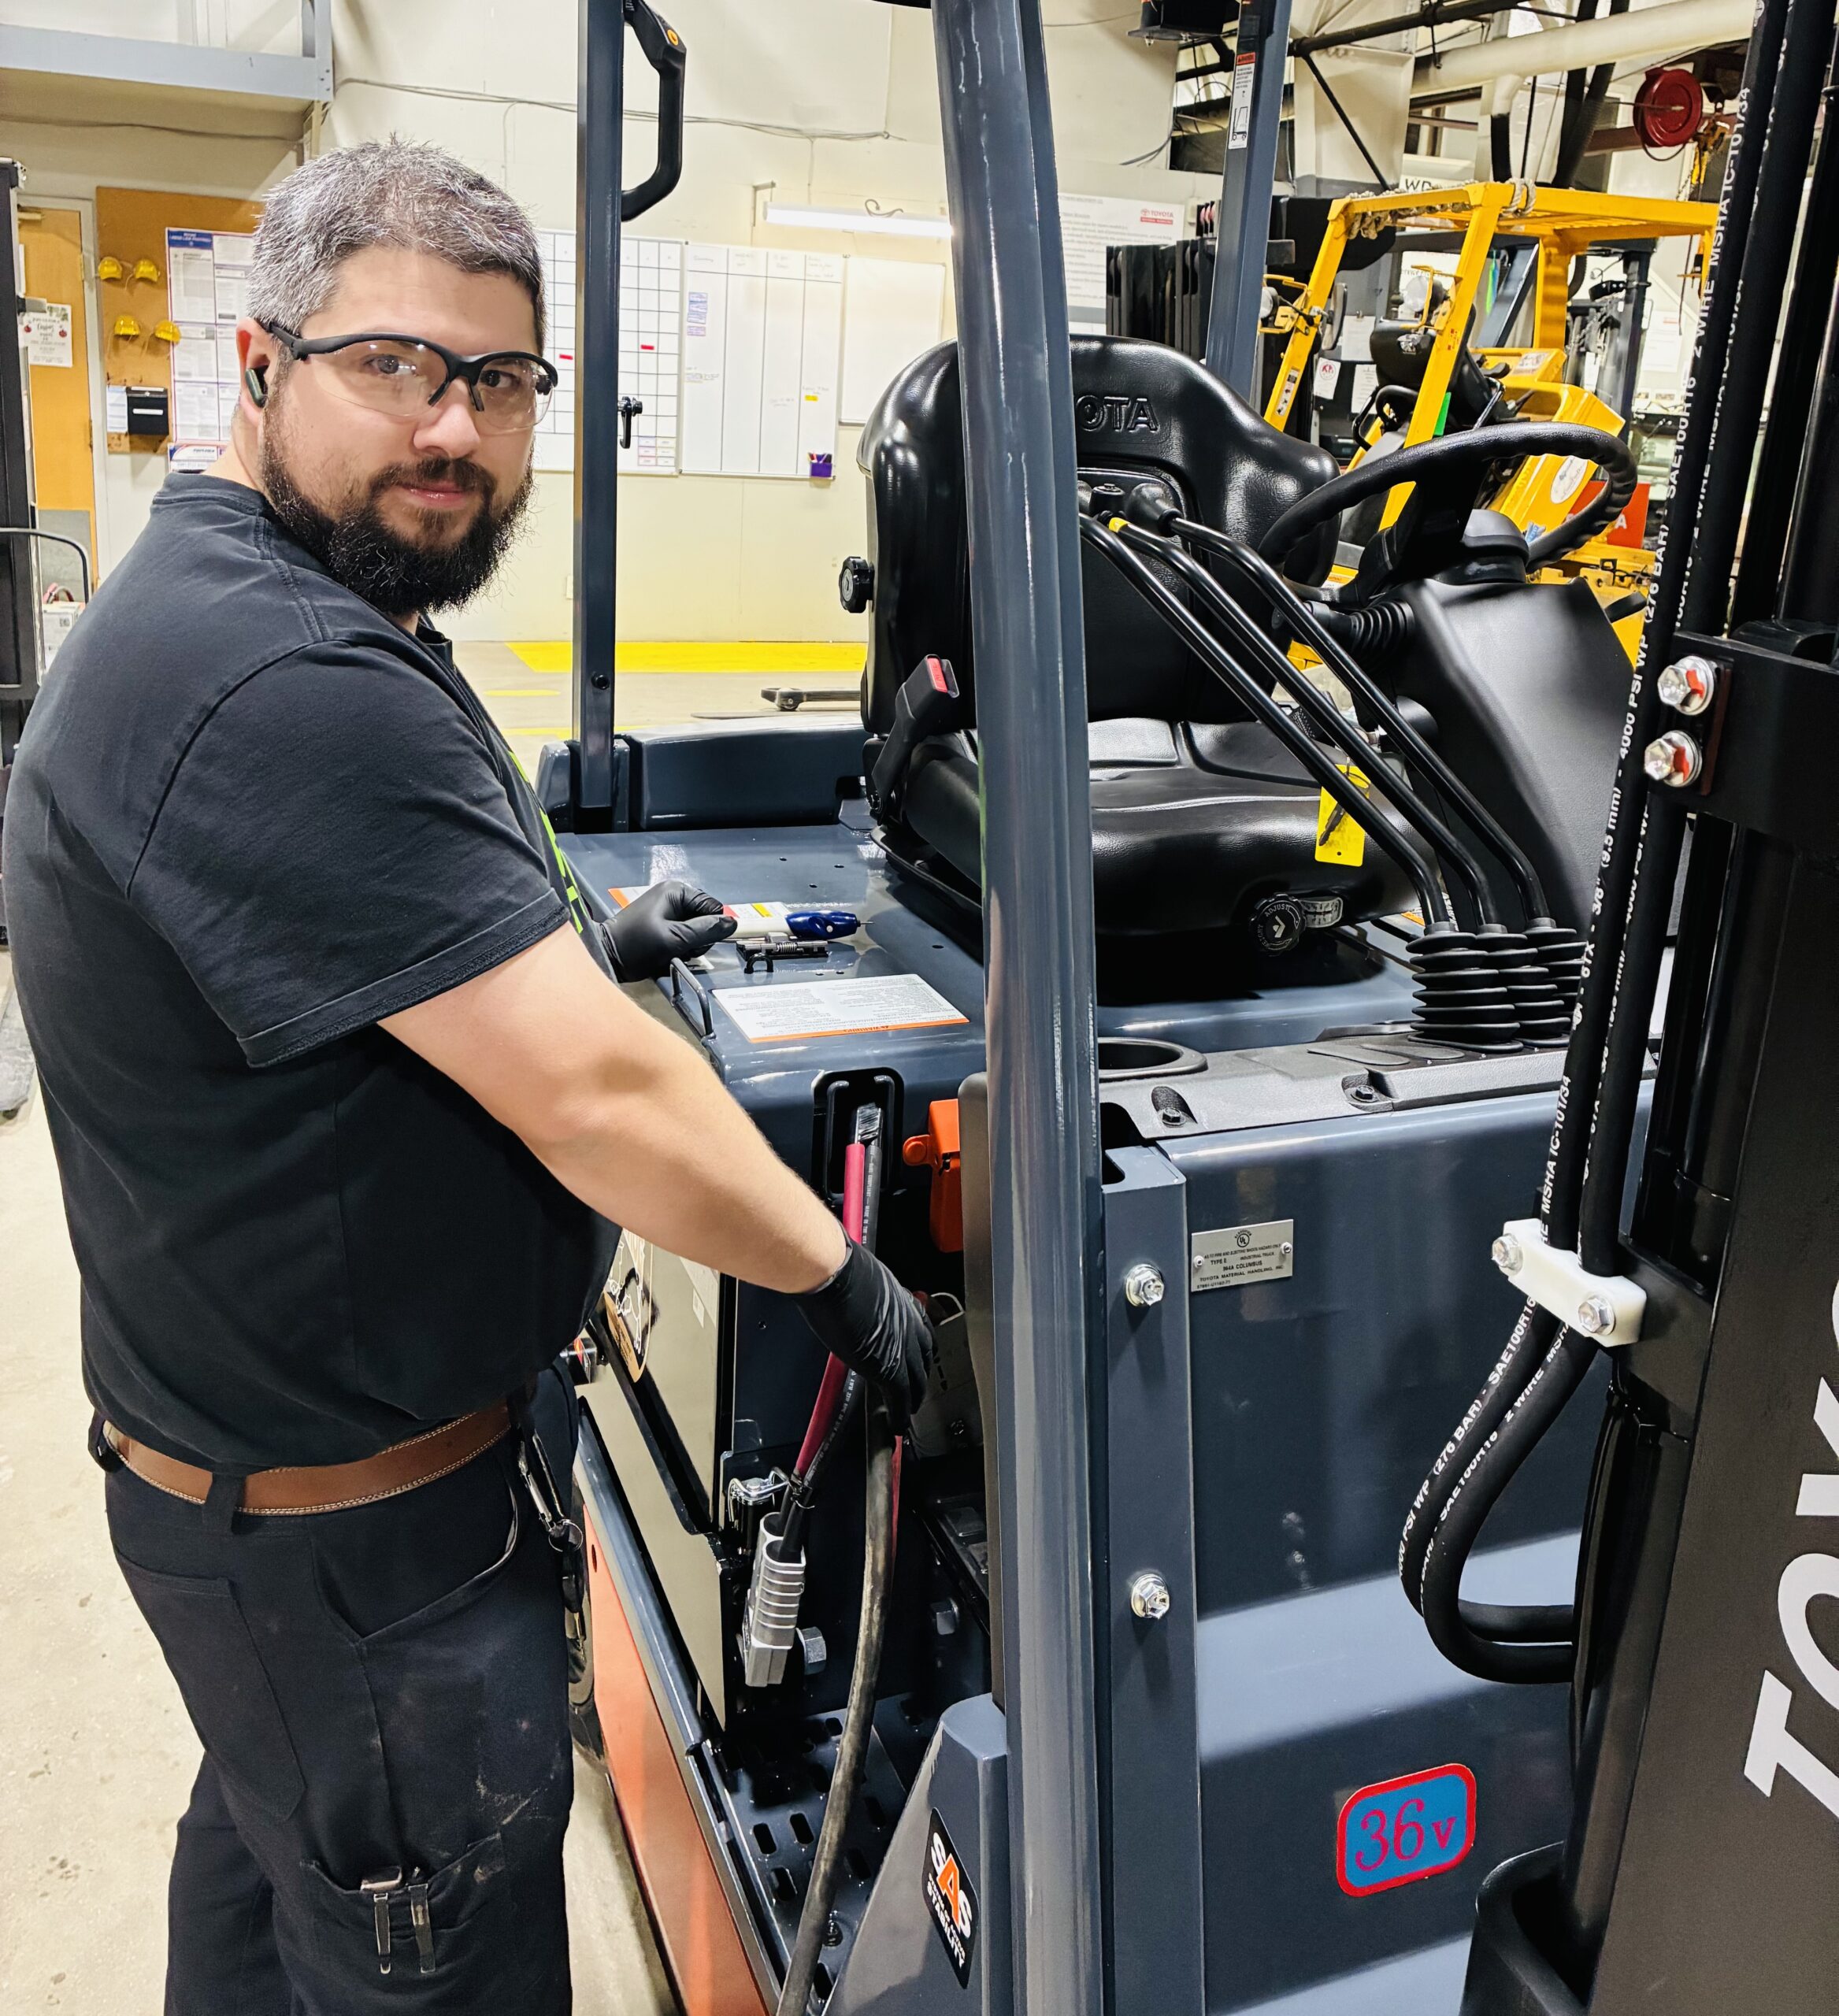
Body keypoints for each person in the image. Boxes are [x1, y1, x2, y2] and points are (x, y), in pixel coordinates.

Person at [2, 140, 929, 2014]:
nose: (454, 428)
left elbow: (364, 951)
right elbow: (603, 1102)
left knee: (275, 1883)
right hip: (371, 1568)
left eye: (499, 382)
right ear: (258, 363)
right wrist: (847, 1281)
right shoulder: (280, 679)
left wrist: (588, 949)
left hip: (272, 1521)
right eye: (394, 365)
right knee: (427, 1949)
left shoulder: (239, 598)